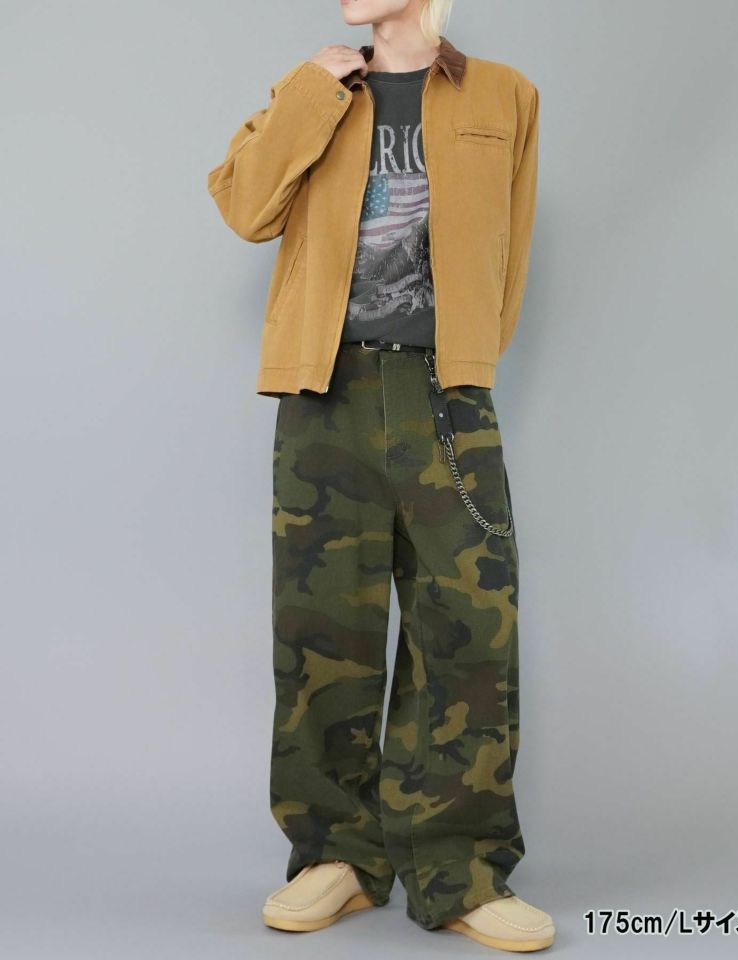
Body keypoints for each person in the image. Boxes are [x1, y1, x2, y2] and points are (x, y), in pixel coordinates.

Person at [207, 0, 553, 951]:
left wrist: (467, 359)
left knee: (468, 628)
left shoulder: (505, 96)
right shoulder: (315, 87)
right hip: (325, 389)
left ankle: (460, 867)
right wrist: (312, 92)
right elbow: (243, 207)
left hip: (446, 392)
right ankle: (335, 858)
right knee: (322, 630)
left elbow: (512, 247)